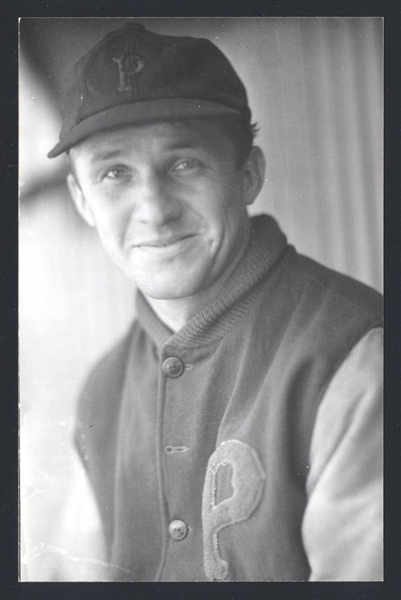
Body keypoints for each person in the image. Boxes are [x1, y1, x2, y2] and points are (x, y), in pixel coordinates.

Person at [47, 22, 383, 582]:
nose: (154, 209)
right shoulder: (101, 393)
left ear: (247, 175)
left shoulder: (355, 353)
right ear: (82, 200)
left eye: (184, 164)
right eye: (115, 173)